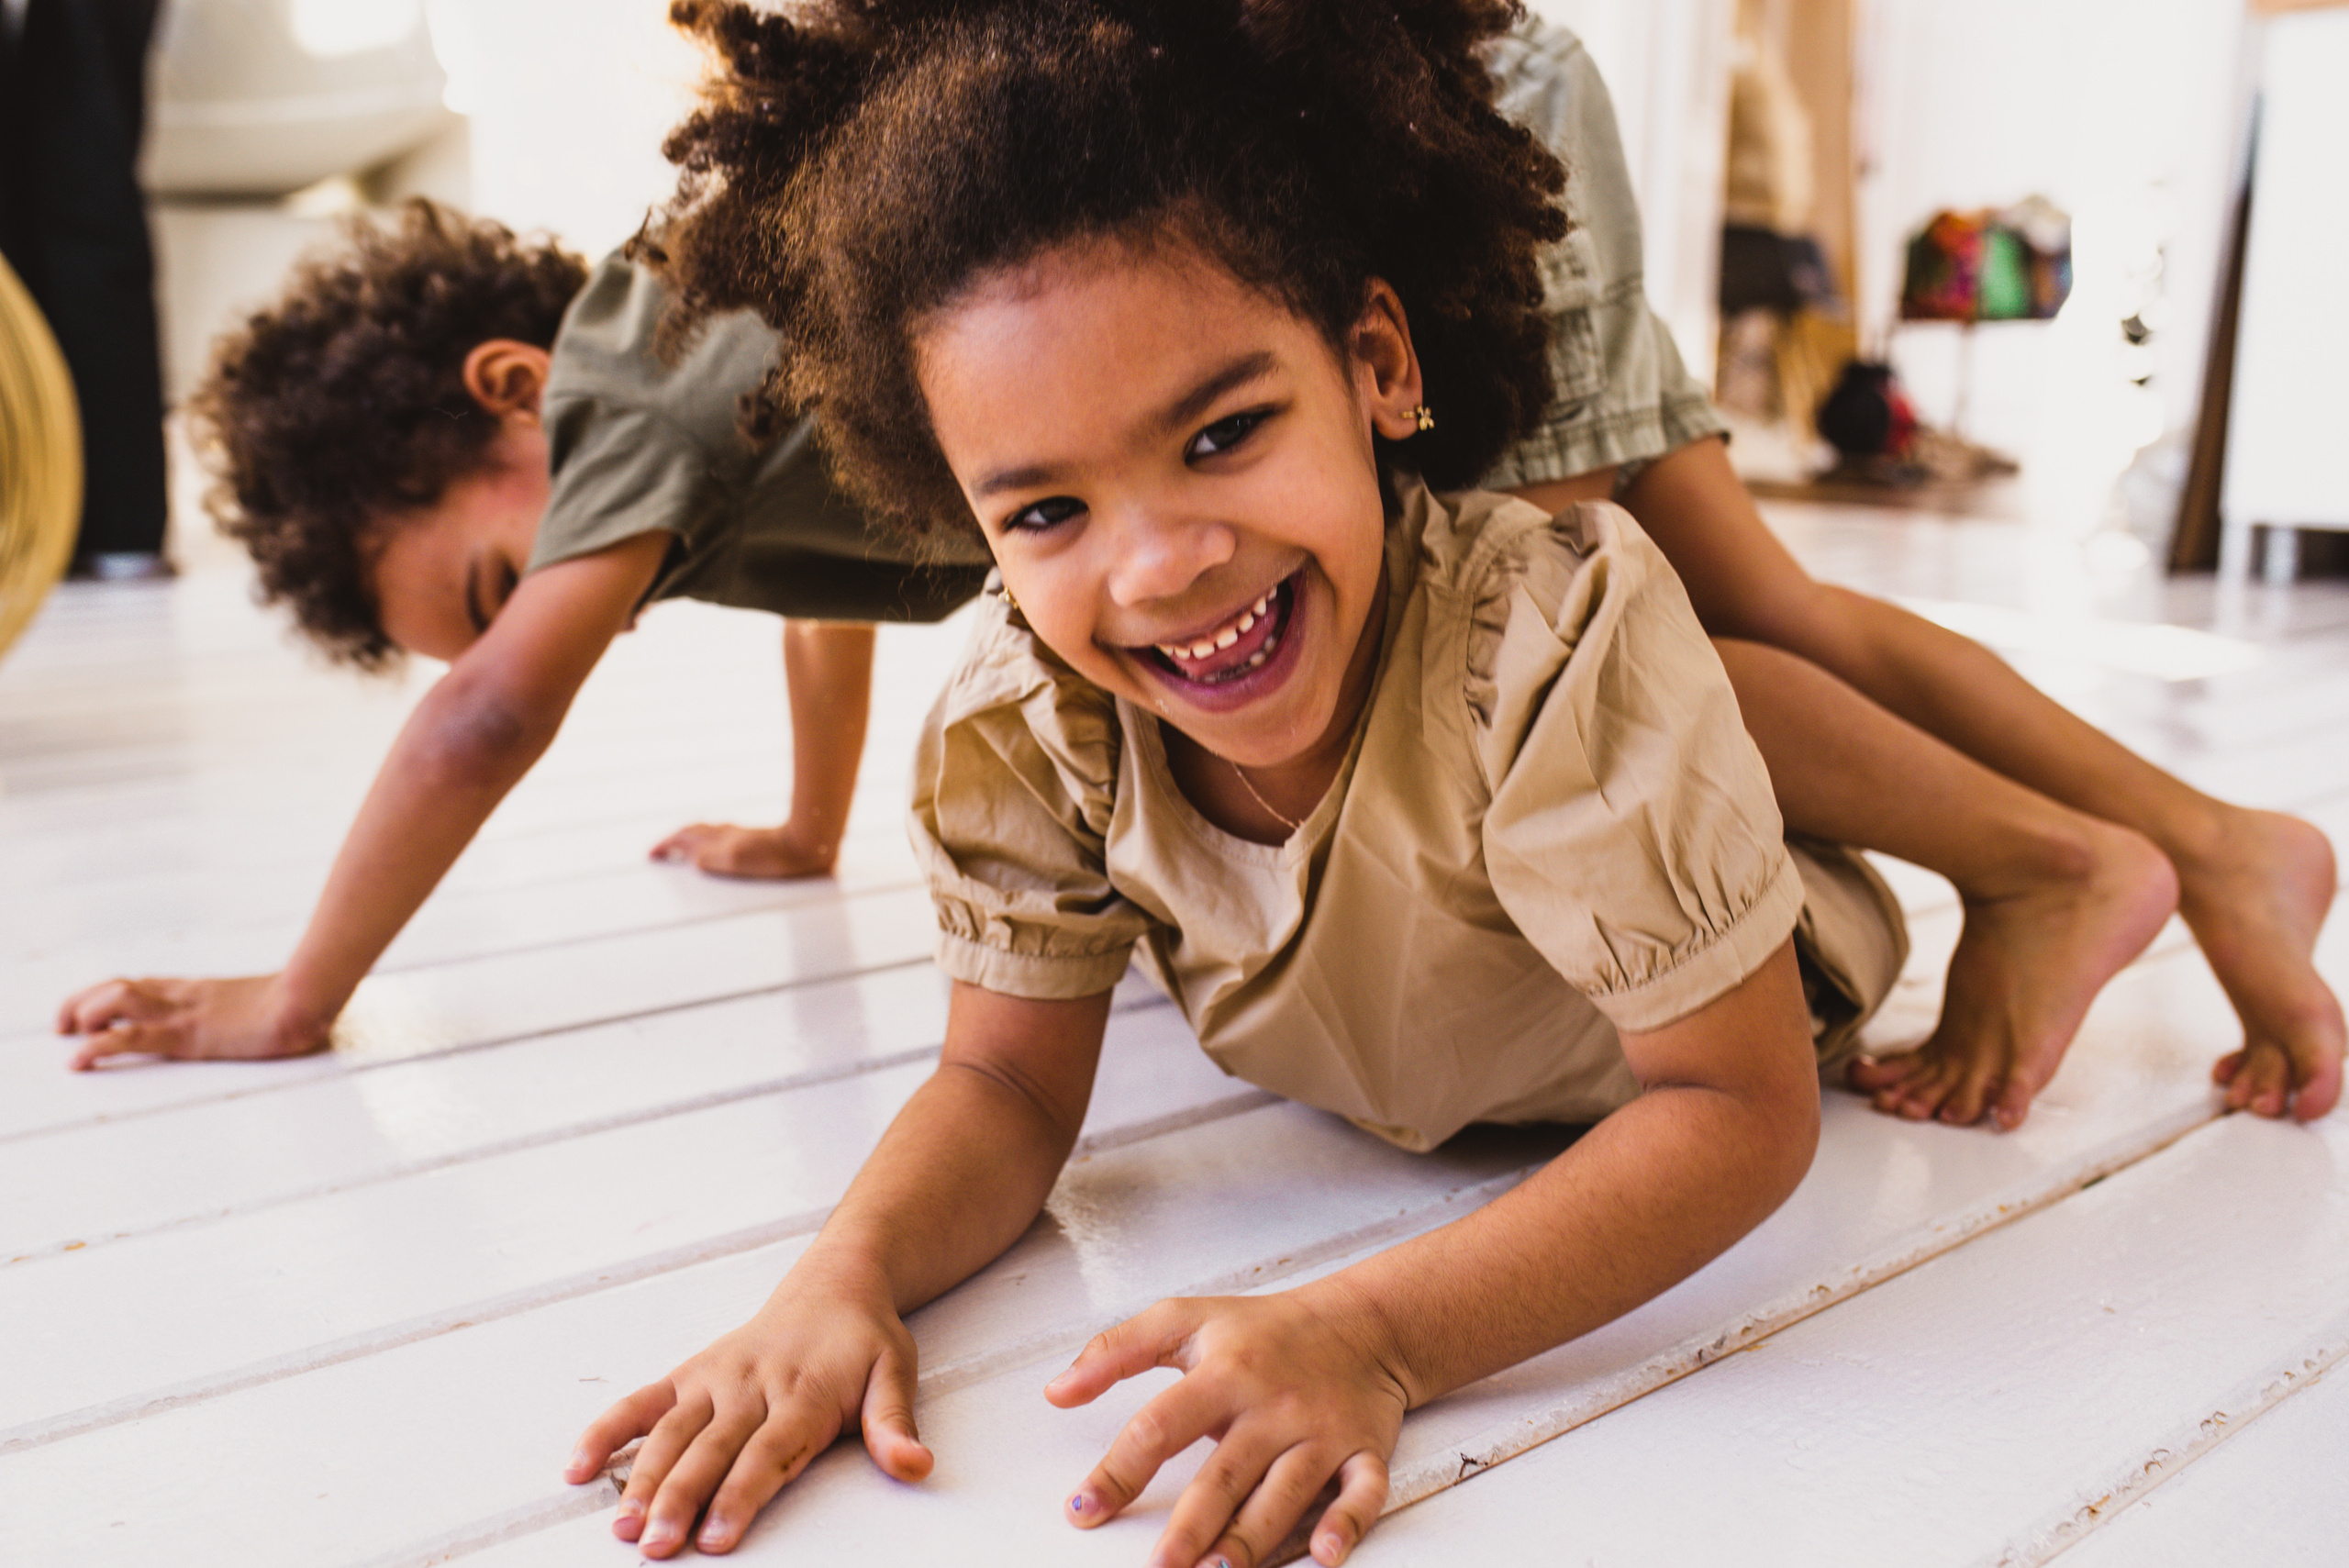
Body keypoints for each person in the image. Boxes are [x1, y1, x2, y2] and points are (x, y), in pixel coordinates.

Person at [560, 3, 2330, 1562]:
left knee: (1698, 648)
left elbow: (1735, 1109)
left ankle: (2049, 859)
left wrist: (1377, 1330)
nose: (1164, 561)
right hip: (1408, 1002)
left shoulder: (1540, 632)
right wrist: (837, 1275)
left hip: (1725, 982)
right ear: (965, 518)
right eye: (1047, 510)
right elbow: (1006, 1085)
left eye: (1223, 429)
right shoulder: (1028, 719)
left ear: (1380, 368)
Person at [52, 201, 989, 1066]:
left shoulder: (627, 409)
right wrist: (806, 831)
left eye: (504, 588)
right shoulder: (690, 393)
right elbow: (825, 602)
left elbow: (490, 713)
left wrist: (294, 998)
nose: (535, 632)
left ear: (512, 389)